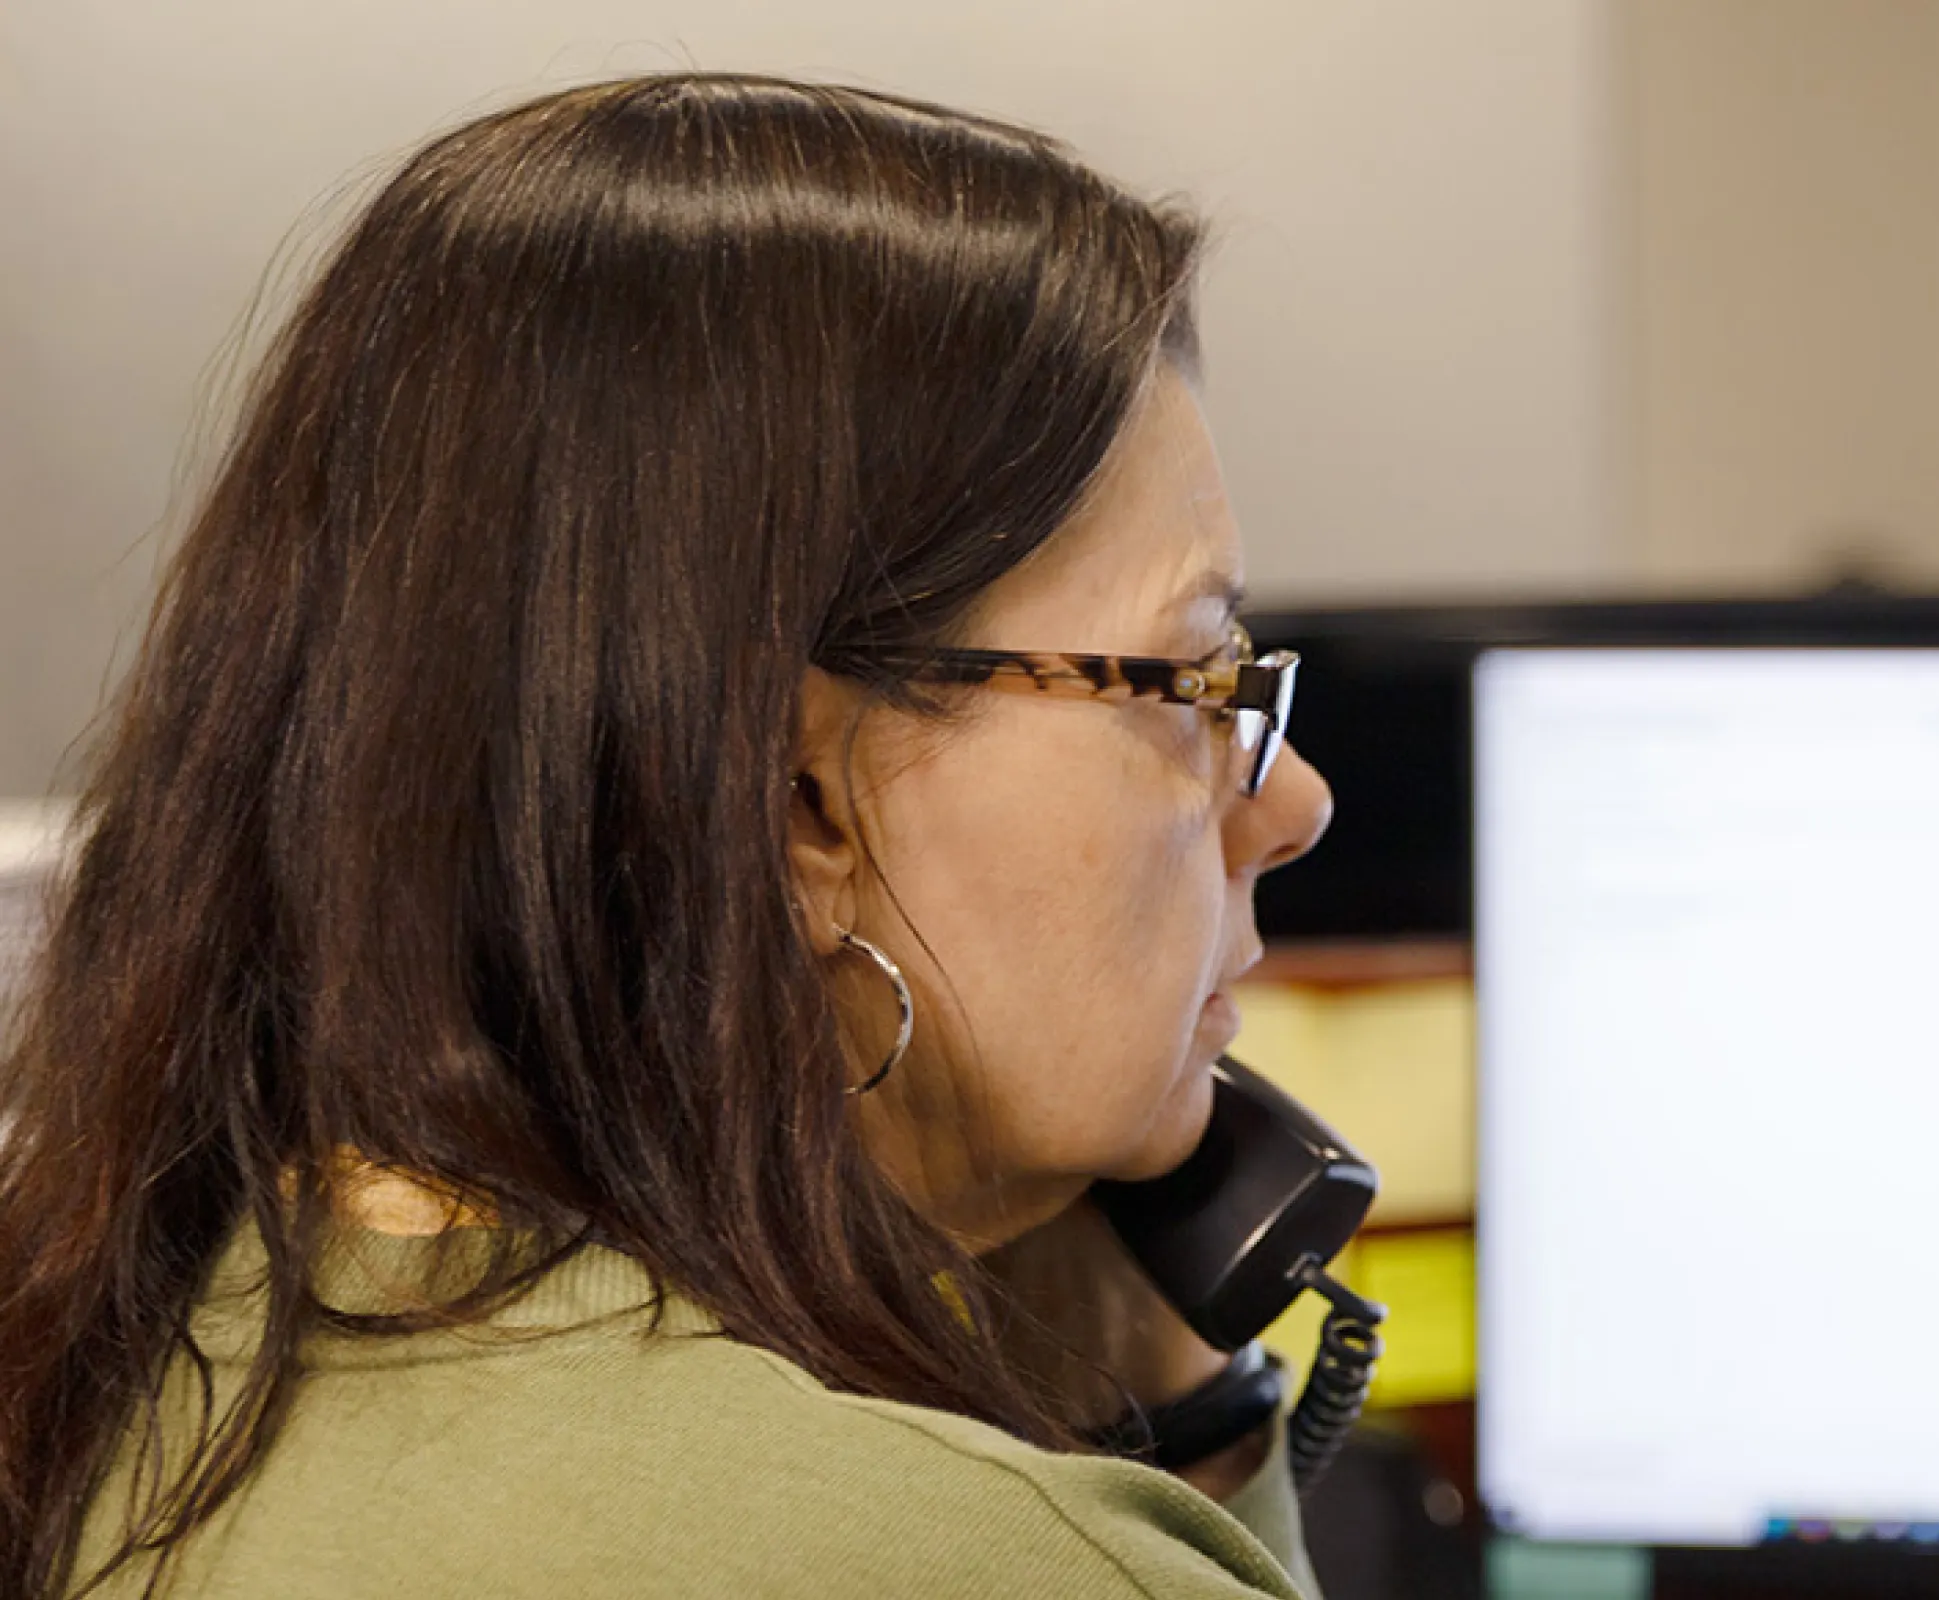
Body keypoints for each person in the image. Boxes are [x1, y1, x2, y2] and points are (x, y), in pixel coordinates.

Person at [0, 72, 1339, 1599]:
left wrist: (1150, 1383)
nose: (1290, 802)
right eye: (1192, 679)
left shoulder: (117, 1365)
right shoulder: (964, 1559)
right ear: (802, 801)